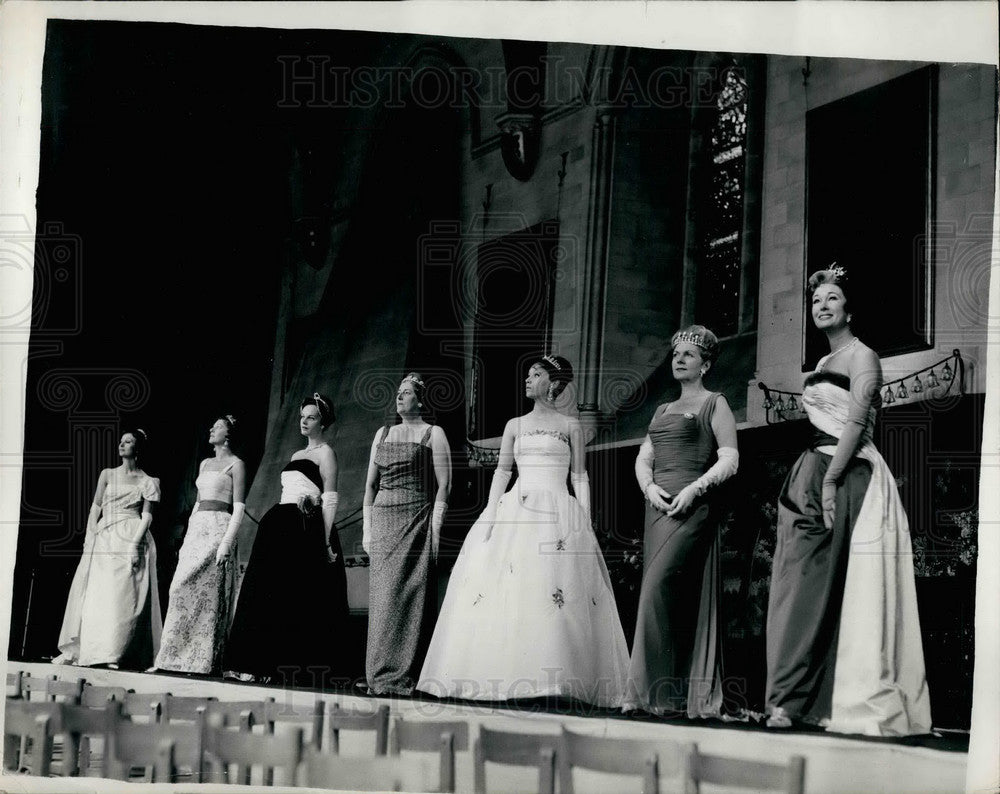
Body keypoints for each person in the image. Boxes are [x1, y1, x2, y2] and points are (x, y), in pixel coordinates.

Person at [765, 266, 931, 735]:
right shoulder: (820, 366)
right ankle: (792, 700)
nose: (822, 305)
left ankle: (807, 702)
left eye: (832, 298)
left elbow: (857, 424)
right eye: (816, 300)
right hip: (812, 468)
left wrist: (832, 481)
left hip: (848, 474)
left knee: (830, 586)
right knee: (797, 586)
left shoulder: (865, 358)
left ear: (849, 308)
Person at [416, 355, 629, 706]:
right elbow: (501, 473)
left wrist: (583, 518)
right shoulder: (515, 424)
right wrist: (491, 512)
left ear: (554, 383)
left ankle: (557, 677)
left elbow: (579, 476)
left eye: (536, 374)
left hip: (558, 508)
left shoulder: (571, 426)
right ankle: (505, 674)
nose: (527, 379)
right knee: (511, 586)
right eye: (528, 374)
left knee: (555, 588)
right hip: (518, 506)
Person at [623, 325, 739, 718]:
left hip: (691, 508)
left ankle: (647, 693)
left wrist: (695, 490)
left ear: (705, 365)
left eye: (688, 355)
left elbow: (730, 459)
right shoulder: (660, 410)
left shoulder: (715, 403)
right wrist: (647, 486)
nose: (679, 359)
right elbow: (644, 456)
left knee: (658, 590)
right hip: (657, 506)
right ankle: (662, 695)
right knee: (661, 597)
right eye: (676, 354)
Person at [223, 393, 349, 685]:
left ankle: (290, 667)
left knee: (296, 594)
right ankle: (257, 663)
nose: (304, 421)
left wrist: (327, 540)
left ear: (323, 422)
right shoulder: (295, 456)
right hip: (279, 524)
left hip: (306, 528)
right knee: (266, 590)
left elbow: (330, 497)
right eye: (302, 417)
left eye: (311, 417)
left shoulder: (326, 453)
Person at [362, 373, 451, 695]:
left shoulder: (433, 433)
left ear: (421, 399)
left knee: (409, 598)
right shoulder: (383, 433)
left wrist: (435, 530)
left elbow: (445, 484)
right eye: (397, 393)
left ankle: (401, 676)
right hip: (384, 519)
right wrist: (366, 530)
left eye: (406, 393)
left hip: (416, 520)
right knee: (383, 599)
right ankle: (377, 676)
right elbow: (370, 485)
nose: (399, 397)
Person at [53, 428, 162, 669]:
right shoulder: (107, 474)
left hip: (130, 534)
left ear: (138, 448)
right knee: (99, 595)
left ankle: (115, 652)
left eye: (128, 441)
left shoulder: (148, 481)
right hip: (105, 536)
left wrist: (134, 545)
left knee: (122, 597)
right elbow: (95, 506)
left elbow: (146, 517)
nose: (122, 445)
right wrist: (91, 534)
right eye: (121, 441)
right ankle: (96, 650)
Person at [152, 415, 245, 675]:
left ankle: (202, 660)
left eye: (217, 426)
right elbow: (197, 502)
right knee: (179, 587)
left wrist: (226, 541)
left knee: (209, 593)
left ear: (228, 433)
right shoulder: (204, 463)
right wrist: (187, 536)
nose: (211, 429)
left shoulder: (237, 465)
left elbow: (239, 507)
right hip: (198, 527)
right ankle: (172, 657)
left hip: (219, 527)